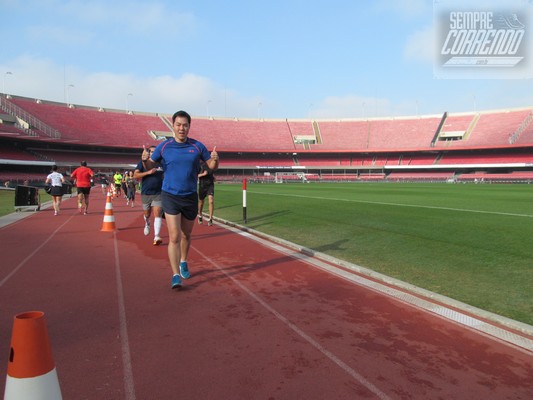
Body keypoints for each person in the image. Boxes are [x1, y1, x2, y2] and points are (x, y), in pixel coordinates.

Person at [143, 110, 219, 289]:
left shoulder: (197, 146)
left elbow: (212, 167)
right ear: (173, 126)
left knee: (186, 234)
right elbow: (150, 165)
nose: (181, 128)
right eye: (178, 125)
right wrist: (145, 160)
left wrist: (216, 159)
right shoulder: (164, 147)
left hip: (190, 196)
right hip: (169, 195)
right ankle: (175, 274)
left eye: (185, 125)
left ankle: (184, 261)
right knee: (174, 236)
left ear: (189, 126)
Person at [134, 145, 164, 245]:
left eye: (155, 152)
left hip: (158, 193)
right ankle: (147, 222)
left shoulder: (162, 163)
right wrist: (148, 172)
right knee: (147, 214)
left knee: (158, 213)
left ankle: (156, 236)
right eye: (151, 151)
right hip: (146, 193)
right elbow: (135, 175)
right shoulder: (142, 164)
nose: (153, 153)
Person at [197, 161, 216, 226]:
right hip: (202, 185)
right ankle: (200, 214)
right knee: (201, 202)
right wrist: (203, 174)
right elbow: (196, 175)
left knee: (211, 201)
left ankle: (210, 219)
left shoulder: (212, 165)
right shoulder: (200, 165)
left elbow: (212, 173)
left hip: (210, 185)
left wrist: (213, 177)